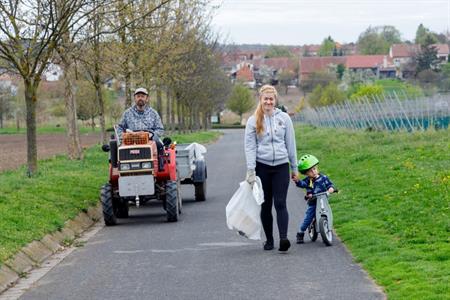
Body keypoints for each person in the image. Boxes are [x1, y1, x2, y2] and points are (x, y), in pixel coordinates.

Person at [244, 84, 298, 252]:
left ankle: (283, 239)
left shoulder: (284, 119)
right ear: (260, 100)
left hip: (281, 165)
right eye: (265, 98)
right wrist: (251, 170)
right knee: (266, 205)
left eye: (271, 99)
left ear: (275, 100)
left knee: (280, 202)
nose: (268, 101)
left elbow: (291, 144)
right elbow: (250, 147)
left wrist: (294, 168)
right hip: (262, 167)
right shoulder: (253, 121)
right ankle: (269, 240)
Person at [117, 87, 165, 168]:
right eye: (138, 96)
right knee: (117, 147)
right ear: (134, 98)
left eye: (142, 96)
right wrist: (123, 136)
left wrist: (152, 135)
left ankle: (160, 166)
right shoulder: (127, 113)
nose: (140, 98)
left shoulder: (153, 113)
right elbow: (119, 128)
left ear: (147, 98)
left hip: (149, 139)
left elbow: (160, 129)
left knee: (160, 145)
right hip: (131, 139)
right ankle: (121, 167)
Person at [294, 154, 335, 244]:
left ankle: (328, 228)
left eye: (314, 168)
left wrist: (331, 189)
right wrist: (297, 181)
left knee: (328, 213)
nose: (313, 171)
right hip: (313, 202)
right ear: (305, 173)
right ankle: (300, 232)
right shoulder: (308, 181)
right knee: (308, 217)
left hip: (323, 200)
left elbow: (330, 184)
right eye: (310, 171)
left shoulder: (323, 178)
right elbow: (302, 184)